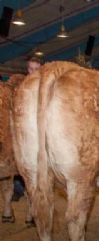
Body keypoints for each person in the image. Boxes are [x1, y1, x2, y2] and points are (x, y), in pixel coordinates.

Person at [12, 56, 43, 202]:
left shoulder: (45, 86)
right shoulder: (21, 86)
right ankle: (20, 189)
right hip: (25, 130)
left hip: (41, 129)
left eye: (36, 69)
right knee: (22, 163)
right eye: (31, 69)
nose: (33, 72)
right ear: (27, 69)